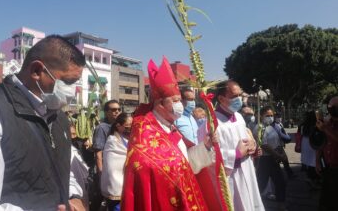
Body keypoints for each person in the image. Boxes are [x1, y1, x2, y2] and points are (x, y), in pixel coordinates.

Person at [0, 35, 85, 210]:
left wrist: (73, 196)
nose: (73, 91)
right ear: (36, 71)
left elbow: (62, 169)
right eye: (67, 82)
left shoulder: (59, 118)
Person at [122, 57, 217, 211]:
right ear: (160, 104)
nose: (180, 105)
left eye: (180, 100)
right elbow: (142, 167)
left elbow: (185, 162)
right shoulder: (143, 131)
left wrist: (205, 145)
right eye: (175, 100)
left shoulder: (171, 126)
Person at [215, 80, 264, 211]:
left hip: (247, 171)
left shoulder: (239, 117)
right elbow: (210, 156)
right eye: (234, 96)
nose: (239, 100)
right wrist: (236, 154)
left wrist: (252, 149)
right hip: (231, 178)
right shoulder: (213, 123)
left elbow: (245, 140)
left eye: (239, 95)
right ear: (221, 98)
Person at [255, 106, 287, 210]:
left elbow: (277, 142)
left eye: (271, 115)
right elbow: (264, 145)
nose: (270, 117)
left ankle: (281, 205)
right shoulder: (259, 127)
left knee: (280, 182)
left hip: (274, 159)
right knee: (261, 184)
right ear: (261, 116)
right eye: (267, 115)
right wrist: (278, 155)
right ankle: (254, 204)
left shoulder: (271, 126)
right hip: (264, 160)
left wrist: (282, 154)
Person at [101, 113, 132, 211]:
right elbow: (113, 167)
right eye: (127, 127)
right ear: (118, 126)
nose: (130, 129)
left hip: (129, 183)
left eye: (133, 126)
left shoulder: (130, 139)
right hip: (118, 187)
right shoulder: (112, 141)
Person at [316, 96, 338, 211]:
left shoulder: (326, 126)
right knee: (326, 202)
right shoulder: (327, 123)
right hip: (328, 168)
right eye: (331, 107)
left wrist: (325, 129)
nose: (332, 109)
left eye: (335, 107)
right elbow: (320, 143)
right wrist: (317, 161)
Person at [69, 123, 89, 211]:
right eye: (71, 134)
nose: (73, 137)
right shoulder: (65, 151)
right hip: (73, 194)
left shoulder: (76, 147)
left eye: (74, 134)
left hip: (81, 188)